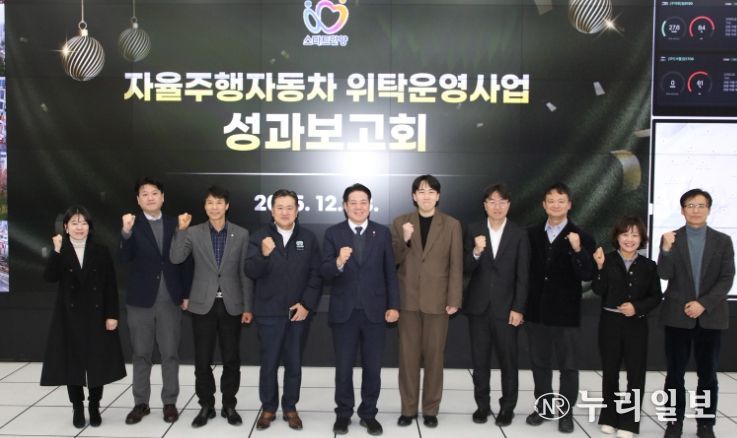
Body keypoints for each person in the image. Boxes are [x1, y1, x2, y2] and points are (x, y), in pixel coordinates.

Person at [169, 186, 253, 428]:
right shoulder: (193, 232)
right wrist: (181, 230)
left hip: (231, 304)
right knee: (202, 360)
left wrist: (248, 306)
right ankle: (206, 404)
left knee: (231, 358)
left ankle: (229, 404)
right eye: (209, 203)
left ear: (227, 206)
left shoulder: (241, 233)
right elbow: (176, 257)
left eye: (218, 202)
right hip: (202, 304)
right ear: (204, 206)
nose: (214, 207)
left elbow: (245, 273)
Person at [321, 183, 400, 436]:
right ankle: (343, 414)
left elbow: (390, 272)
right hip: (344, 312)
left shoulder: (382, 232)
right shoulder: (333, 233)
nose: (358, 207)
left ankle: (369, 414)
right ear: (345, 206)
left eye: (363, 202)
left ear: (370, 205)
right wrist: (338, 261)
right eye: (353, 202)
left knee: (373, 368)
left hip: (375, 311)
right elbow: (325, 272)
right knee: (343, 368)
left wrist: (394, 305)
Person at [40, 206, 126, 428]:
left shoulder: (101, 251)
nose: (80, 227)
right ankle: (77, 407)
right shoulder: (62, 250)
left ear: (90, 227)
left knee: (97, 362)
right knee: (73, 364)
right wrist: (56, 250)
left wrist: (112, 314)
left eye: (84, 223)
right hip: (69, 317)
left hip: (97, 315)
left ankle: (94, 405)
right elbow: (49, 277)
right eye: (75, 223)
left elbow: (110, 285)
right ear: (66, 227)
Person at [658, 189, 735, 438]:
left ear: (708, 209)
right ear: (682, 210)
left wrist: (703, 303)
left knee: (708, 375)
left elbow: (726, 279)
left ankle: (705, 424)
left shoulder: (723, 241)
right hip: (677, 316)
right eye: (690, 205)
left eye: (701, 205)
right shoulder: (671, 238)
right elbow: (664, 274)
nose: (696, 210)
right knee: (674, 375)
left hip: (710, 316)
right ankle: (674, 422)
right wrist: (666, 249)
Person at [245, 189, 322, 431]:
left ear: (297, 211)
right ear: (272, 210)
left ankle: (290, 407)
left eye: (290, 208)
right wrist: (263, 255)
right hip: (268, 311)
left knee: (294, 363)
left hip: (297, 312)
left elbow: (316, 275)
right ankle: (268, 408)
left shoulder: (308, 238)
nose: (285, 212)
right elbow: (250, 271)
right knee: (268, 363)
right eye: (280, 207)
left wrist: (306, 304)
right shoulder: (259, 236)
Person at [119, 177, 192, 424]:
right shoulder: (132, 224)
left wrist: (185, 294)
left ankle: (169, 402)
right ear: (138, 200)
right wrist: (126, 233)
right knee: (141, 353)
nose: (150, 197)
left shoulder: (175, 224)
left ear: (162, 197)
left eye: (154, 193)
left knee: (170, 353)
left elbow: (184, 261)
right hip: (140, 300)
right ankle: (141, 403)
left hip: (170, 299)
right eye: (144, 194)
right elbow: (124, 258)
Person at [391, 175, 462, 429]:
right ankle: (408, 409)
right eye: (421, 191)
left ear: (438, 196)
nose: (426, 196)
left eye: (431, 191)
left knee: (434, 358)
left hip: (438, 301)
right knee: (408, 359)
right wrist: (405, 239)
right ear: (414, 196)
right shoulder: (400, 222)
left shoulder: (451, 224)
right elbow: (392, 259)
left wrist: (454, 298)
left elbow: (456, 264)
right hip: (408, 301)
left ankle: (431, 409)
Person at [525, 182, 595, 434]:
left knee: (568, 366)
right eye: (551, 201)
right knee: (540, 364)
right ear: (544, 205)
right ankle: (544, 408)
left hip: (566, 314)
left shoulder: (582, 236)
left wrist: (578, 250)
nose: (556, 205)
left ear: (569, 205)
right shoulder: (531, 234)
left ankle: (565, 412)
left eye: (561, 201)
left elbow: (588, 274)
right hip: (536, 312)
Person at [463, 183, 529, 427]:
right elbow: (465, 267)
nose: (497, 206)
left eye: (502, 202)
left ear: (508, 205)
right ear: (485, 205)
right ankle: (482, 406)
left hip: (507, 309)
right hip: (478, 308)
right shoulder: (473, 230)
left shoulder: (519, 233)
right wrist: (476, 252)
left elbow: (523, 275)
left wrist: (518, 308)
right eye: (492, 201)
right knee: (479, 362)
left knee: (508, 362)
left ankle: (507, 408)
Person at [592, 216, 662, 438]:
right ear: (617, 237)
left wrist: (637, 307)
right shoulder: (607, 259)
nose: (629, 239)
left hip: (636, 325)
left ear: (641, 239)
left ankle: (630, 422)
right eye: (625, 234)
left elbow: (656, 297)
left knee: (635, 374)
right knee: (610, 372)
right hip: (610, 324)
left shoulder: (649, 266)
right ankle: (609, 417)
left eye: (634, 235)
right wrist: (600, 267)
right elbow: (598, 289)